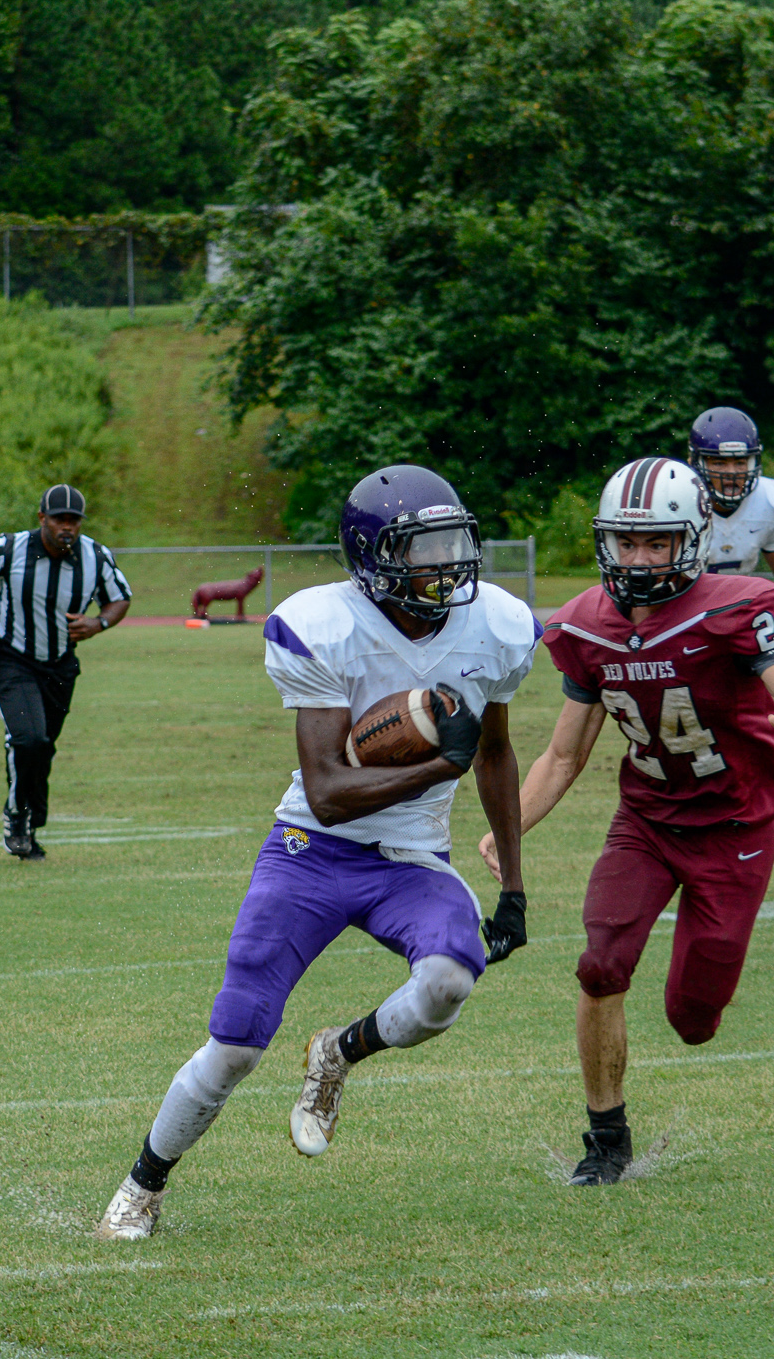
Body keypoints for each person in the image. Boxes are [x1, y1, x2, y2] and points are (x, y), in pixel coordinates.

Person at [94, 465, 537, 1240]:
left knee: (447, 979)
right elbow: (329, 789)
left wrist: (516, 885)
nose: (443, 564)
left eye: (448, 543)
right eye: (420, 549)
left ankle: (337, 1052)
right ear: (371, 561)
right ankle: (143, 1183)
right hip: (313, 848)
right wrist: (439, 763)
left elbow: (495, 753)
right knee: (234, 1043)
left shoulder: (495, 625)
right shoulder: (322, 623)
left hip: (412, 857)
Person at [477, 456, 774, 1187]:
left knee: (692, 1019)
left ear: (693, 539)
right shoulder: (586, 624)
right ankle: (606, 1138)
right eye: (626, 542)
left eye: (657, 543)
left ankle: (693, 1006)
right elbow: (564, 753)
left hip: (736, 824)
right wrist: (509, 825)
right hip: (645, 819)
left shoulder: (736, 603)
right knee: (600, 963)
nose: (638, 558)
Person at [0, 485, 132, 860]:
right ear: (42, 519)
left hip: (60, 665)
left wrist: (98, 622)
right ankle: (17, 815)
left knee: (43, 747)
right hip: (11, 658)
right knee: (28, 739)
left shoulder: (95, 556)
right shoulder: (10, 548)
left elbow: (120, 597)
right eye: (59, 519)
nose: (66, 527)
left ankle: (30, 822)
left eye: (74, 520)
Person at [688, 406, 774, 663]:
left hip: (736, 619)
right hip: (681, 620)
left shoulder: (771, 503)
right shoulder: (678, 501)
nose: (731, 472)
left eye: (740, 462)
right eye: (719, 462)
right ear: (696, 462)